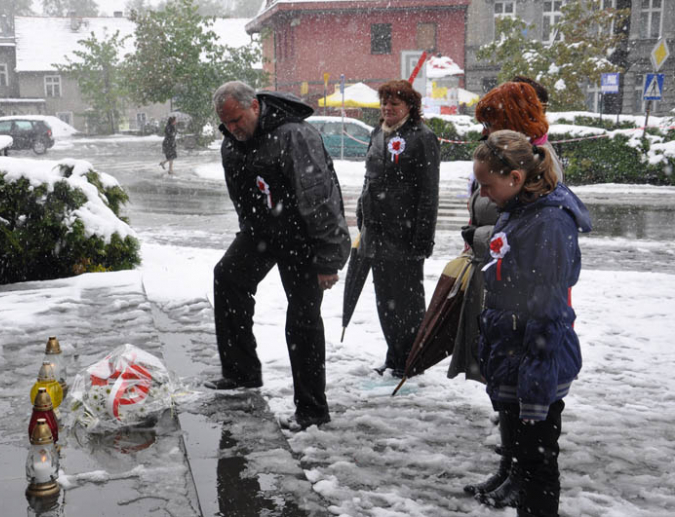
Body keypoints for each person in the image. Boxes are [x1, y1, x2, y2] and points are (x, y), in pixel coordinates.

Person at [205, 81, 351, 432]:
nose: (234, 130)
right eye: (227, 124)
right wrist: (249, 228)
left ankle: (312, 410)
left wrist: (328, 258)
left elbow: (319, 197)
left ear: (254, 106)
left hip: (303, 235)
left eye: (238, 120)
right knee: (228, 277)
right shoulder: (232, 143)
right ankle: (241, 372)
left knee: (302, 319)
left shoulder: (293, 136)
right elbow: (240, 196)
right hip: (262, 233)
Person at [468, 129, 591, 517]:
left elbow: (549, 310)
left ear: (516, 179)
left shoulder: (548, 223)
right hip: (515, 354)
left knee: (537, 466)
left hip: (535, 362)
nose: (483, 193)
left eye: (487, 185)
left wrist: (535, 389)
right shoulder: (520, 210)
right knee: (524, 459)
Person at [459, 80, 561, 508]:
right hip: (500, 285)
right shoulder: (501, 155)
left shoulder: (536, 163)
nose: (484, 129)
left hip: (527, 301)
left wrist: (481, 236)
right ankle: (510, 467)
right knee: (502, 382)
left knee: (528, 398)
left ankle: (522, 473)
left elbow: (522, 231)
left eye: (492, 121)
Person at [357, 79, 440, 378]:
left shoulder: (422, 137)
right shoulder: (378, 133)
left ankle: (411, 360)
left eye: (394, 103)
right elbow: (369, 179)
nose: (387, 108)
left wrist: (422, 238)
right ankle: (394, 355)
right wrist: (362, 215)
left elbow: (429, 192)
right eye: (384, 102)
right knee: (386, 300)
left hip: (404, 235)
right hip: (377, 233)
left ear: (409, 106)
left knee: (408, 303)